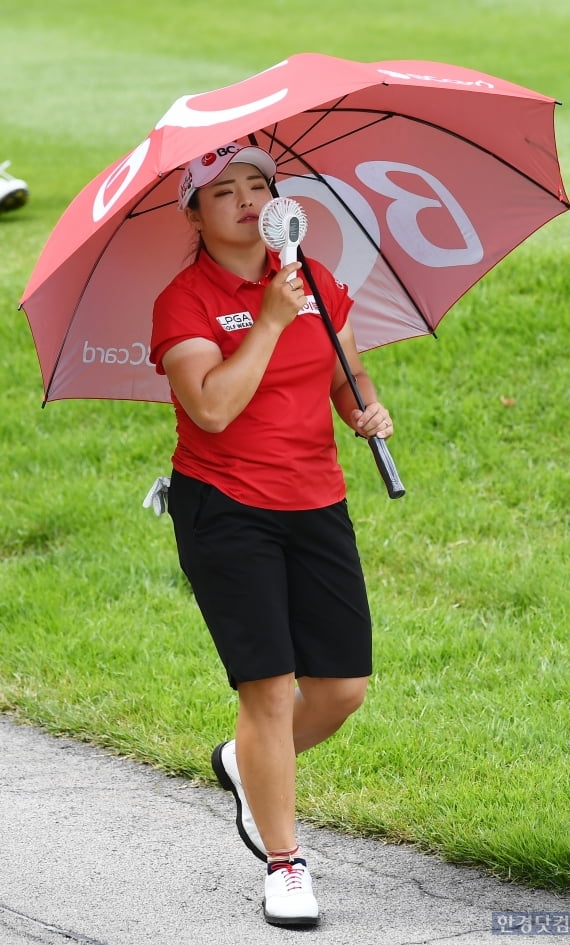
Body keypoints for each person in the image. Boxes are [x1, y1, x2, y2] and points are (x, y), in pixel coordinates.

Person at [150, 142, 395, 927]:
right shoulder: (182, 301)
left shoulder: (314, 280)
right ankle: (286, 863)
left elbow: (342, 371)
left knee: (340, 688)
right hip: (225, 507)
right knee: (267, 687)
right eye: (224, 192)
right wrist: (269, 319)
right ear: (194, 213)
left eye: (260, 186)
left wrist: (364, 407)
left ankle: (241, 763)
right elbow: (212, 407)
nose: (248, 201)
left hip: (316, 499)